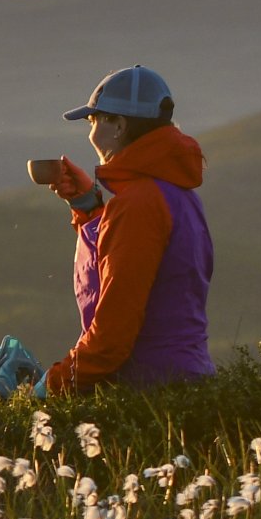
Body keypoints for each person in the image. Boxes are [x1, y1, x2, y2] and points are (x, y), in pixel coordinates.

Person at [38, 65, 213, 395]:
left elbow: (113, 337)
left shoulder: (137, 205)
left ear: (118, 125)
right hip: (187, 381)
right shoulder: (180, 196)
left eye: (94, 120)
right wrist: (88, 206)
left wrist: (53, 385)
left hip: (147, 389)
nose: (90, 133)